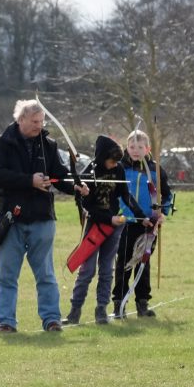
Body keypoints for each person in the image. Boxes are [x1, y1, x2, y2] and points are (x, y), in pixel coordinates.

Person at [0, 99, 88, 333]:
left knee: (46, 274)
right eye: (34, 121)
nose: (39, 126)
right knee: (7, 275)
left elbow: (60, 176)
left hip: (42, 217)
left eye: (41, 121)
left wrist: (75, 186)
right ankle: (6, 322)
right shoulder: (2, 144)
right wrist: (28, 181)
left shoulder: (48, 144)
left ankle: (52, 319)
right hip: (11, 217)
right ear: (20, 119)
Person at [64, 136, 151, 325]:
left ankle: (101, 310)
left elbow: (125, 195)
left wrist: (141, 215)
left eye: (116, 162)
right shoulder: (90, 172)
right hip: (95, 227)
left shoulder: (118, 169)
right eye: (111, 161)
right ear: (102, 157)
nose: (113, 165)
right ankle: (74, 311)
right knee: (87, 271)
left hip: (113, 228)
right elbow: (87, 206)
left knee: (107, 270)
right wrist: (107, 218)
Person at [112, 129, 172, 319]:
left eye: (140, 147)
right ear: (126, 148)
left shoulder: (155, 170)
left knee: (143, 263)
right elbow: (116, 194)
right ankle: (119, 304)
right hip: (126, 222)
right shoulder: (120, 168)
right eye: (131, 147)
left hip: (149, 224)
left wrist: (163, 212)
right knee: (123, 263)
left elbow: (167, 195)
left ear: (147, 149)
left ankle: (142, 304)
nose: (135, 150)